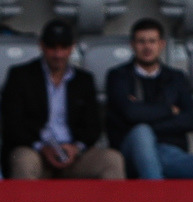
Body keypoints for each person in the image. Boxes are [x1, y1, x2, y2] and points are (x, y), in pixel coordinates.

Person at [105, 18, 193, 179]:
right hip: (132, 153)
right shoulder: (118, 76)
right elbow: (130, 113)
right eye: (141, 42)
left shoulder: (176, 78)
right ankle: (156, 198)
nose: (147, 47)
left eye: (152, 41)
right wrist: (170, 110)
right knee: (142, 133)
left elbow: (192, 119)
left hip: (171, 153)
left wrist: (144, 115)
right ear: (132, 45)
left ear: (162, 44)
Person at [0, 18, 124, 179]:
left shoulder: (83, 80)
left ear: (72, 48)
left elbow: (93, 126)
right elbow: (12, 125)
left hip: (73, 154)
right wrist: (42, 148)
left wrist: (75, 148)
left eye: (63, 47)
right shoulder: (21, 76)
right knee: (24, 160)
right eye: (52, 47)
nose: (58, 54)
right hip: (35, 151)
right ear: (42, 46)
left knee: (112, 160)